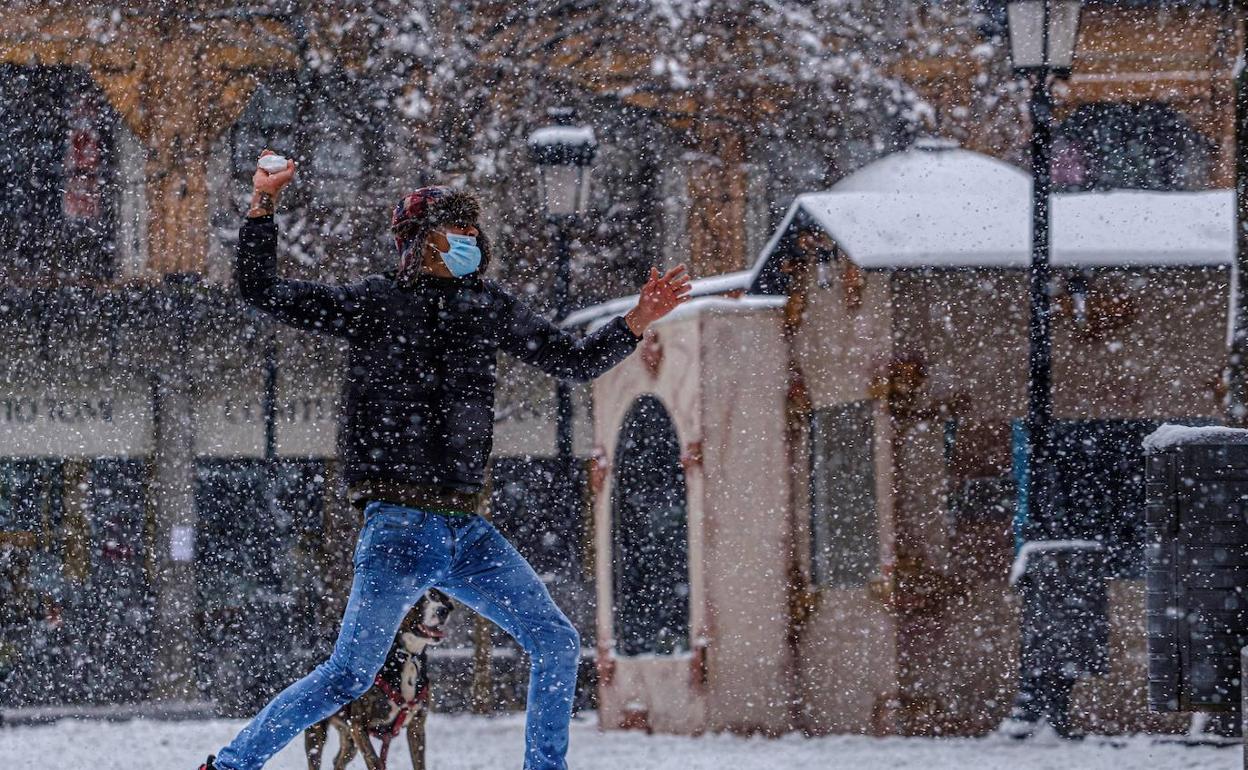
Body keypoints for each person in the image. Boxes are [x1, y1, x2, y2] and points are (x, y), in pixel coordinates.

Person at [199, 151, 691, 770]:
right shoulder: (375, 304)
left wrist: (637, 320)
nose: (470, 241)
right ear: (418, 242)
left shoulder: (487, 309)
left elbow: (574, 361)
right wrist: (264, 204)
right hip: (398, 525)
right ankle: (228, 765)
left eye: (473, 231)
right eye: (454, 230)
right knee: (350, 677)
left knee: (557, 643)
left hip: (465, 528)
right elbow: (261, 290)